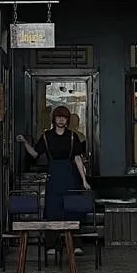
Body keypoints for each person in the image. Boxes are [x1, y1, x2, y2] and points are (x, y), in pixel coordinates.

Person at [17, 106, 90, 256]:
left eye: (64, 117)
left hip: (70, 176)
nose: (61, 120)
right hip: (54, 176)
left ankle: (76, 244)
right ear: (54, 119)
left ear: (68, 120)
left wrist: (84, 180)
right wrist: (24, 142)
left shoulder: (73, 136)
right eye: (58, 117)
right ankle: (51, 245)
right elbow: (35, 153)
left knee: (73, 208)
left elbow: (78, 159)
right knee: (52, 209)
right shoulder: (46, 136)